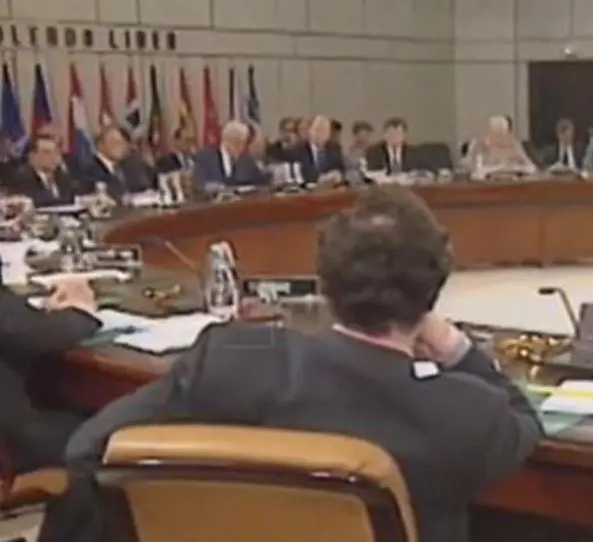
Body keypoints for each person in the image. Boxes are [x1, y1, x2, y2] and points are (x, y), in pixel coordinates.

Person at [43, 186, 541, 542]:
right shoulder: (464, 412)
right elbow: (523, 418)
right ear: (433, 293)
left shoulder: (230, 359)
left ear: (324, 281)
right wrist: (454, 346)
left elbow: (88, 450)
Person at [0, 277, 100, 472]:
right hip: (17, 436)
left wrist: (45, 312)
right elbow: (30, 334)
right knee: (114, 429)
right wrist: (81, 310)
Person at [192, 121, 269, 190]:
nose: (241, 147)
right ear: (227, 140)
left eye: (242, 143)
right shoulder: (205, 158)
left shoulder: (247, 161)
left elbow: (261, 185)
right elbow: (200, 185)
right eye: (237, 142)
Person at [460, 115, 536, 178]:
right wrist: (498, 168)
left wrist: (515, 168)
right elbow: (477, 173)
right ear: (490, 132)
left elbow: (532, 168)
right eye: (497, 133)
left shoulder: (514, 145)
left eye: (503, 133)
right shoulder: (480, 146)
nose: (501, 137)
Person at [15, 134, 77, 207]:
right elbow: (38, 202)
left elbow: (72, 198)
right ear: (32, 156)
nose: (53, 156)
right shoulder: (24, 177)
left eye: (56, 152)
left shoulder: (62, 176)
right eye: (47, 152)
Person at [287, 115, 346, 185]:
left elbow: (341, 168)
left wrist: (338, 174)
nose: (322, 134)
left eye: (326, 131)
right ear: (310, 131)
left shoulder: (335, 148)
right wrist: (321, 178)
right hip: (308, 188)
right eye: (318, 130)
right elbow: (300, 171)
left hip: (331, 187)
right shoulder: (297, 150)